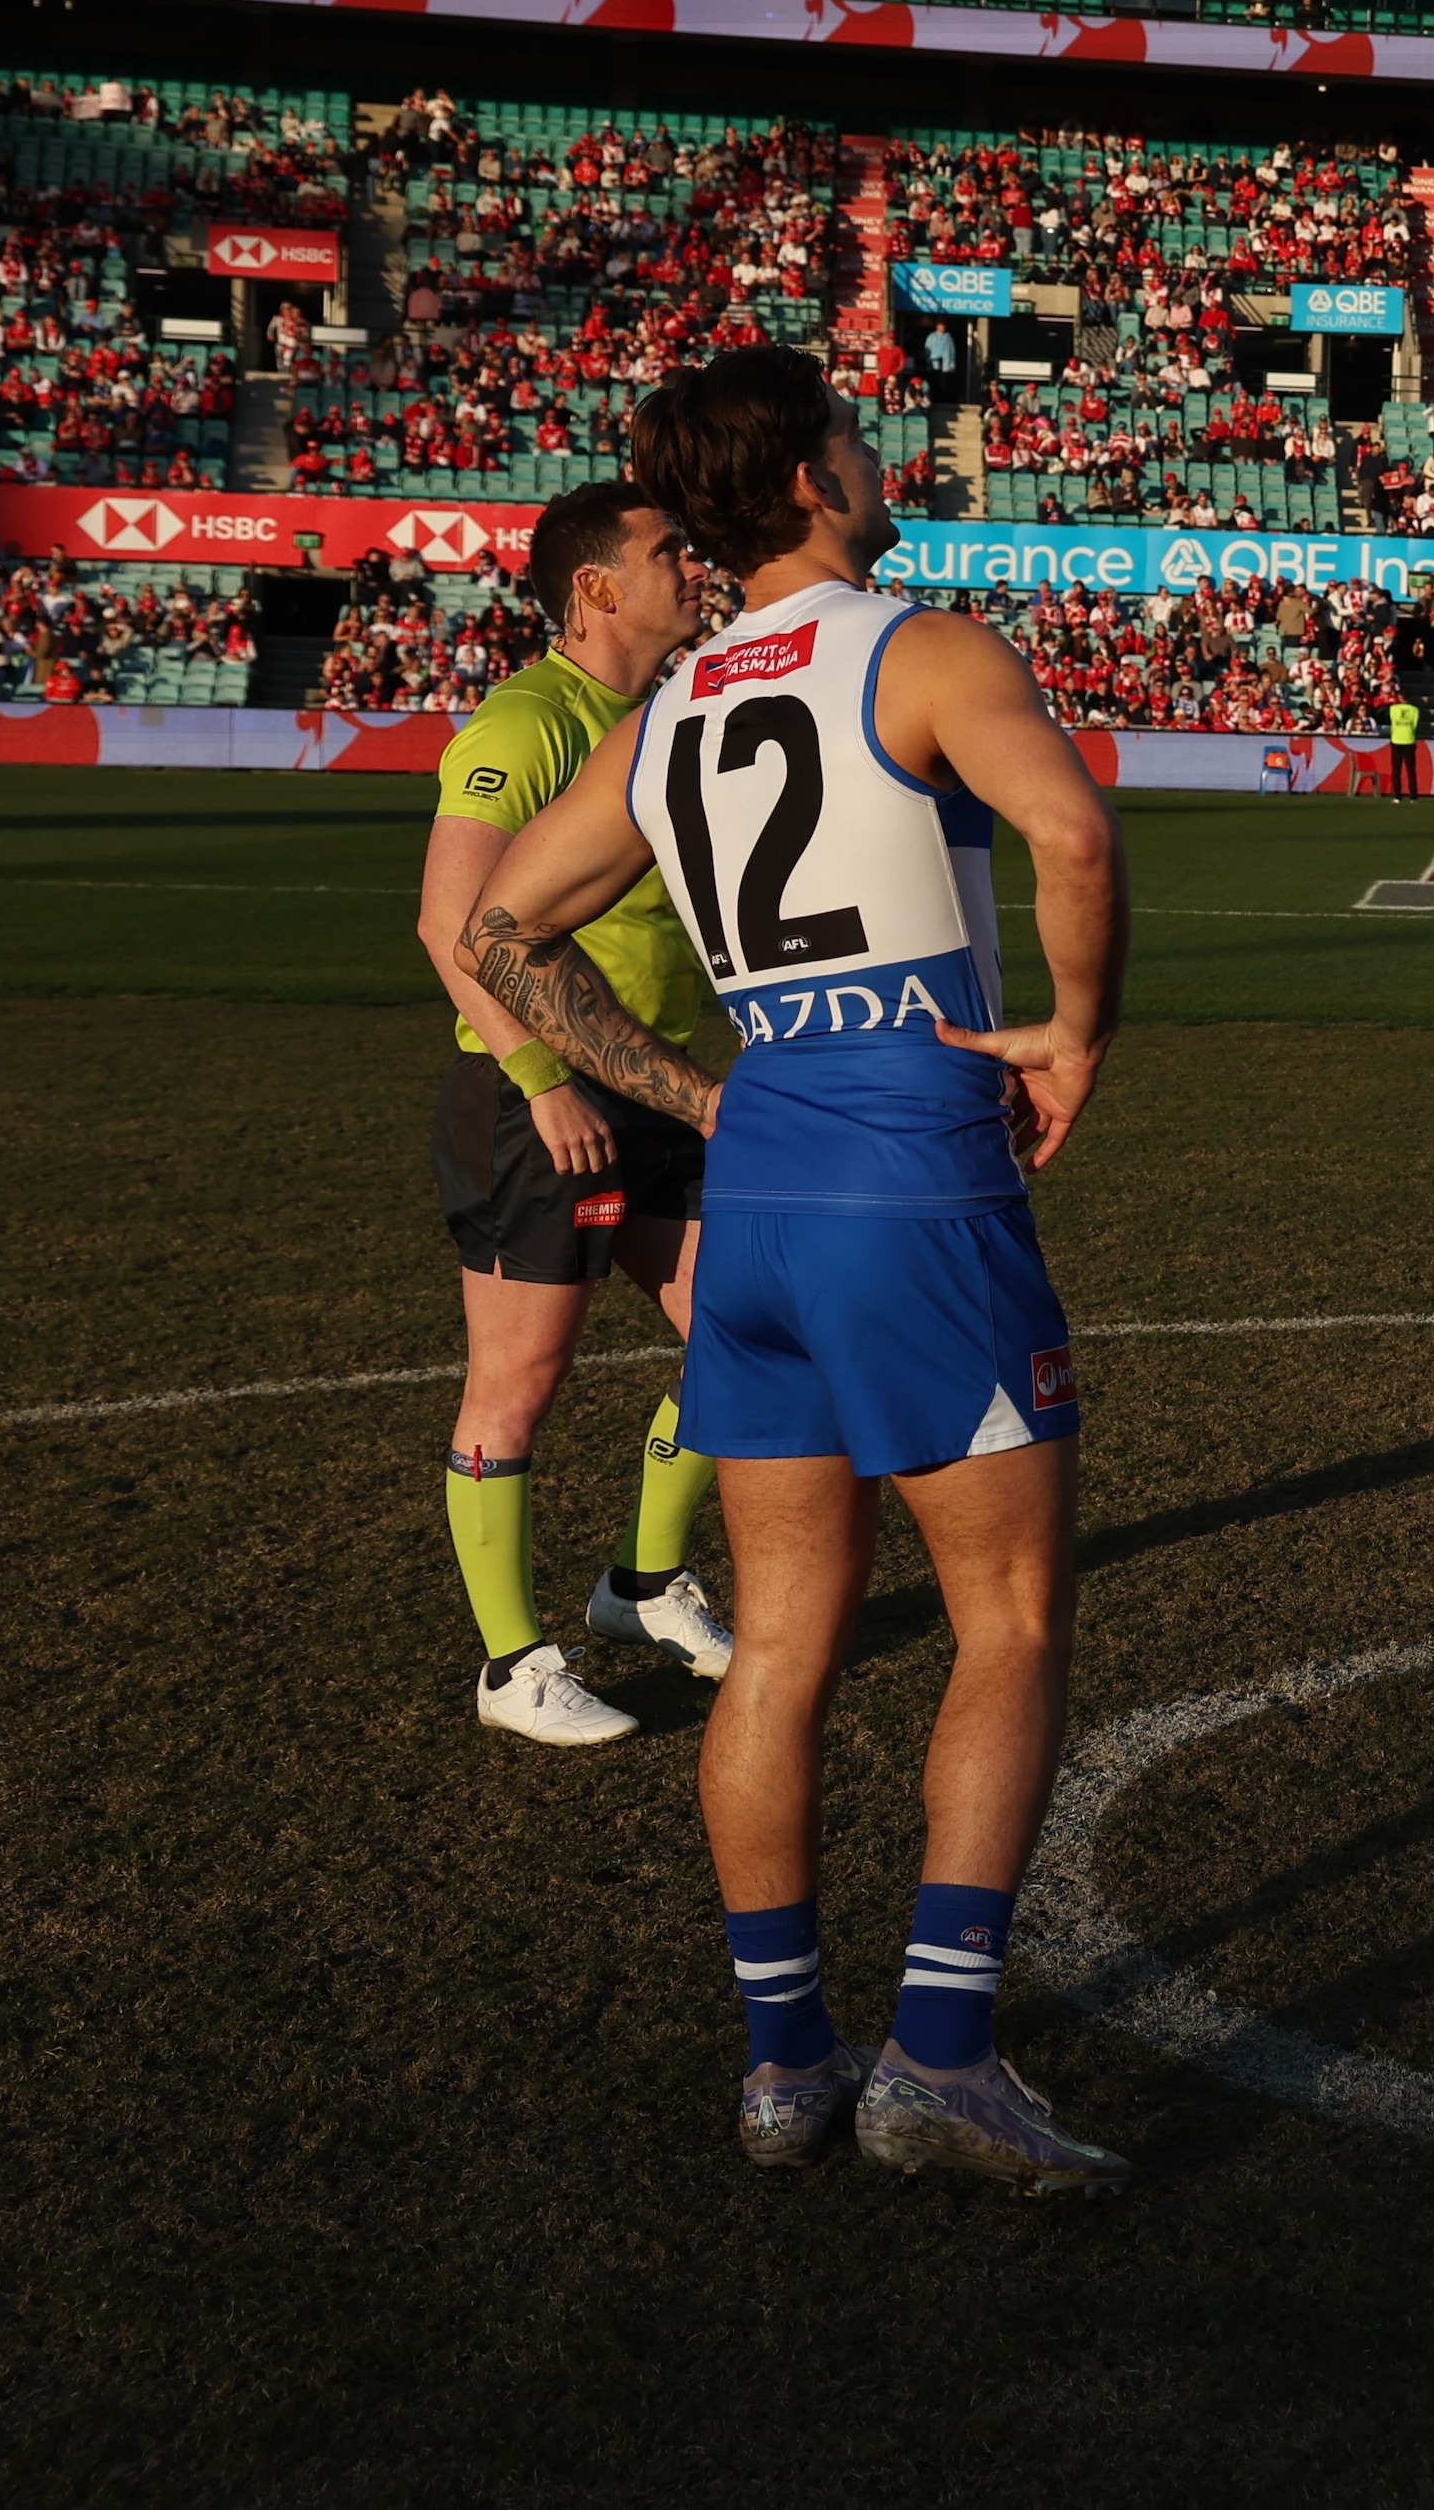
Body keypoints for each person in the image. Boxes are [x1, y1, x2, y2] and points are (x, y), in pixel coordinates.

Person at [463, 344, 1136, 2190]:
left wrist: (693, 1090)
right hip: (908, 1166)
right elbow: (1072, 830)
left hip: (756, 1171)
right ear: (811, 480)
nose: (875, 447)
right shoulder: (919, 647)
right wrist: (1077, 1030)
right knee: (1007, 1616)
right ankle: (941, 2057)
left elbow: (501, 929)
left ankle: (783, 2064)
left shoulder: (670, 701)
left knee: (776, 1637)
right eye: (853, 429)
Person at [413, 479, 735, 1748]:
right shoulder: (527, 720)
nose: (695, 566)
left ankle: (641, 1585)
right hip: (534, 1101)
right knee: (518, 1384)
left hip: (653, 1084)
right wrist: (542, 1082)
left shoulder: (659, 716)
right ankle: (511, 1665)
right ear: (596, 588)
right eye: (669, 550)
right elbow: (449, 926)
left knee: (748, 1333)